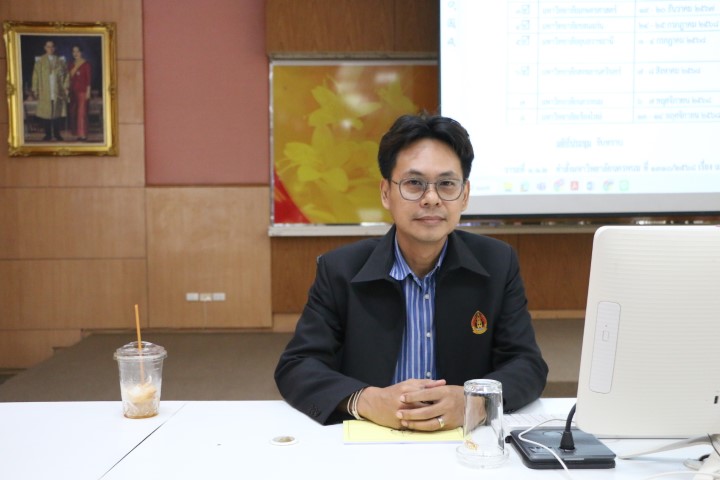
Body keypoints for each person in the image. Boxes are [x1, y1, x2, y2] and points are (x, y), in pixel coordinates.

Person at [274, 113, 548, 431]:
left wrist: (476, 402)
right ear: (385, 193)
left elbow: (527, 364)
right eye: (414, 183)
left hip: (463, 439)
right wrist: (366, 400)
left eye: (446, 184)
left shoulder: (497, 263)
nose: (431, 199)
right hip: (372, 437)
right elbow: (297, 366)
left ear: (464, 195)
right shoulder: (341, 269)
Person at [31, 40, 69, 141]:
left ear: (55, 48)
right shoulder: (40, 61)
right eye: (48, 47)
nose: (50, 49)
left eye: (52, 47)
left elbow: (66, 75)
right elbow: (35, 76)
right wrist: (35, 89)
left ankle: (57, 134)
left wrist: (66, 87)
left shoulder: (60, 61)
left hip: (57, 90)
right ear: (45, 48)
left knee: (57, 113)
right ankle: (47, 134)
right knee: (46, 113)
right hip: (45, 90)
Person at [68, 45, 91, 141]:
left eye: (77, 51)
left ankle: (83, 134)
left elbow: (88, 79)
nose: (75, 53)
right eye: (74, 51)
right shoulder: (71, 64)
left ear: (81, 52)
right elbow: (69, 77)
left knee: (82, 113)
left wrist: (88, 92)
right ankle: (78, 134)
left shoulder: (86, 64)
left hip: (83, 91)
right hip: (73, 91)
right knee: (74, 113)